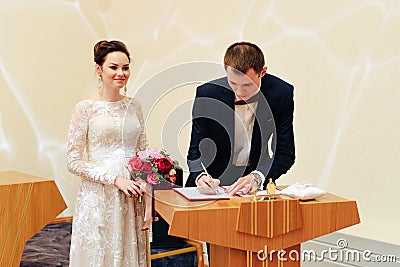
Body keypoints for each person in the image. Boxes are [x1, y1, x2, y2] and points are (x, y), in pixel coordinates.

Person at [66, 40, 150, 266]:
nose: (121, 73)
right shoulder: (85, 108)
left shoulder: (135, 106)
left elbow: (143, 154)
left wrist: (148, 189)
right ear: (99, 69)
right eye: (114, 67)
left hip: (132, 196)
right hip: (100, 196)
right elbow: (73, 161)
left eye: (126, 67)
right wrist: (115, 180)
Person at [186, 42, 295, 196]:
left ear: (262, 72)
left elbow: (285, 152)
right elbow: (195, 149)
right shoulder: (207, 94)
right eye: (233, 83)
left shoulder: (281, 93)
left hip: (253, 186)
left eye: (247, 85)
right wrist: (200, 176)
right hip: (211, 184)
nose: (239, 91)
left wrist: (258, 176)